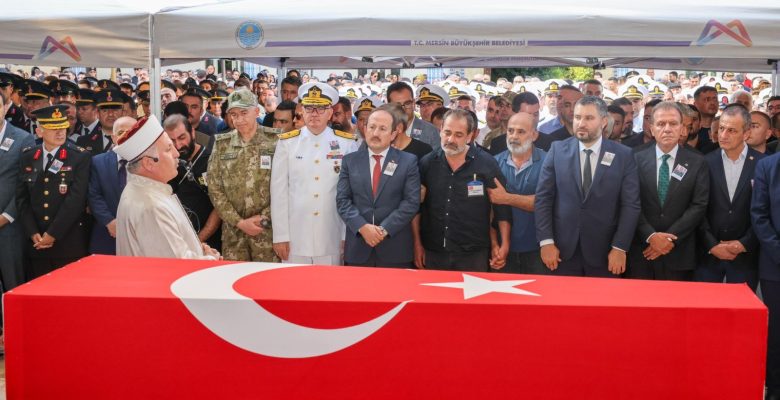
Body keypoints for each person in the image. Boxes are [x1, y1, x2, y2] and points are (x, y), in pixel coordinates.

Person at [535, 96, 640, 277]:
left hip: (606, 253)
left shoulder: (623, 155)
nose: (581, 123)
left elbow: (631, 205)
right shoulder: (557, 150)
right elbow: (543, 199)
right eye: (577, 117)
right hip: (561, 252)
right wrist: (546, 242)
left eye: (589, 118)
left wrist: (620, 247)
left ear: (604, 121)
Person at [271, 83, 358, 264]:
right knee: (294, 289)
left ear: (330, 112)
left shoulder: (346, 144)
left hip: (331, 234)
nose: (314, 113)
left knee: (329, 289)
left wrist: (345, 234)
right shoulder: (287, 143)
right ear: (302, 111)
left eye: (321, 108)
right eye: (309, 108)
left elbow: (350, 194)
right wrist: (280, 235)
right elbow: (278, 193)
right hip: (295, 236)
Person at [414, 109, 512, 271]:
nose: (450, 139)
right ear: (440, 131)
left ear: (470, 136)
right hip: (434, 252)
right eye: (447, 132)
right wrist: (417, 244)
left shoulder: (486, 164)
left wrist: (504, 244)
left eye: (458, 135)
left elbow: (501, 207)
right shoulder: (427, 163)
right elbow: (416, 208)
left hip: (473, 254)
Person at [114, 116, 220, 259]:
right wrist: (209, 258)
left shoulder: (148, 192)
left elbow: (168, 246)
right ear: (149, 163)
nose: (176, 153)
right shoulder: (152, 207)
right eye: (168, 148)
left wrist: (198, 249)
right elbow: (177, 266)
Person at [628, 102, 709, 281]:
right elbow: (630, 202)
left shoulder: (697, 161)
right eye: (661, 124)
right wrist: (650, 236)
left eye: (673, 123)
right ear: (651, 128)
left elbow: (699, 205)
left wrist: (669, 240)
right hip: (641, 250)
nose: (667, 129)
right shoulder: (633, 157)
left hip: (679, 253)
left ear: (682, 128)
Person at [336, 104, 420, 267]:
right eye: (372, 127)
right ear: (364, 129)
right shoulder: (349, 161)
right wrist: (362, 227)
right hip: (358, 249)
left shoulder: (408, 161)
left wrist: (384, 230)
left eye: (383, 128)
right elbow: (342, 200)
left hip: (395, 250)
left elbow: (411, 203)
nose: (375, 133)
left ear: (394, 133)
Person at [16, 105, 91, 279]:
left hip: (67, 242)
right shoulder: (28, 155)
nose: (60, 133)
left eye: (62, 127)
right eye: (53, 128)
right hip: (36, 243)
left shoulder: (79, 156)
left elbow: (76, 200)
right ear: (39, 131)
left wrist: (52, 234)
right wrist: (32, 232)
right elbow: (22, 199)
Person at [207, 89, 281, 261]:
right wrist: (240, 222)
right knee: (234, 281)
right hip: (234, 233)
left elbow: (286, 185)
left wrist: (264, 219)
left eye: (243, 113)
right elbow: (215, 188)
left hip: (267, 232)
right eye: (233, 114)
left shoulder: (275, 141)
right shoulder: (222, 144)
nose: (238, 119)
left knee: (268, 282)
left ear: (256, 112)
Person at [697, 104, 763, 290]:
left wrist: (744, 243)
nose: (723, 135)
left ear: (746, 133)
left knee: (742, 316)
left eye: (732, 130)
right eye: (722, 129)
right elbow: (697, 208)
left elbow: (765, 210)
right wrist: (711, 244)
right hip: (708, 256)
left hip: (746, 257)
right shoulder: (704, 162)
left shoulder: (763, 164)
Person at [489, 112, 548, 274]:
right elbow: (488, 210)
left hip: (538, 250)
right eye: (510, 131)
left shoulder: (548, 162)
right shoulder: (493, 163)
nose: (514, 136)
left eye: (521, 131)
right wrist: (494, 244)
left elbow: (545, 203)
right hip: (502, 250)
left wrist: (506, 198)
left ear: (534, 135)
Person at [165, 114, 222, 253]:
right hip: (178, 242)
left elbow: (219, 206)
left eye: (182, 138)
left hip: (210, 243)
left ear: (192, 132)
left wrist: (198, 240)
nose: (178, 145)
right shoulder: (167, 163)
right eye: (172, 141)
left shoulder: (212, 159)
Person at [751, 147, 780, 399]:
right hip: (775, 264)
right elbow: (759, 214)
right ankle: (775, 385)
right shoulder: (768, 166)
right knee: (777, 331)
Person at [0, 91, 36, 289]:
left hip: (9, 228)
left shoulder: (23, 139)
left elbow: (27, 184)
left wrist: (6, 216)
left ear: (6, 108)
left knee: (13, 283)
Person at [87, 116, 136, 255]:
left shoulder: (148, 161)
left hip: (139, 233)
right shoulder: (98, 162)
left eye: (131, 131)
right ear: (113, 137)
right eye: (121, 132)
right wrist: (109, 222)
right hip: (106, 233)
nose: (127, 135)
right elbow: (94, 195)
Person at [386, 82, 440, 149]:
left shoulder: (430, 131)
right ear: (388, 106)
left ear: (414, 103)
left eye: (407, 103)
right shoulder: (382, 131)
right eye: (397, 105)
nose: (403, 109)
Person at [77, 89, 123, 155]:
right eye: (105, 110)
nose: (110, 114)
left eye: (115, 110)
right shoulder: (83, 142)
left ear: (122, 113)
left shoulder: (130, 139)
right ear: (97, 114)